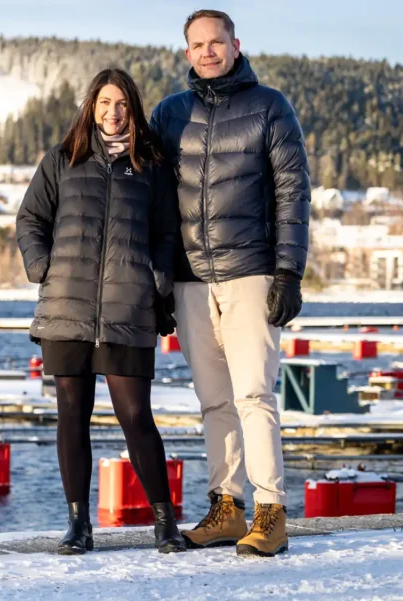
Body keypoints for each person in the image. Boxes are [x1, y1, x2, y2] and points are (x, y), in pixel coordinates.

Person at [149, 9, 310, 558]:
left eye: (216, 42)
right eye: (198, 44)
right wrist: (159, 283)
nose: (208, 51)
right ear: (187, 52)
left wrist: (288, 272)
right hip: (190, 280)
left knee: (254, 395)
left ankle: (270, 512)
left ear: (235, 45)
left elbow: (293, 193)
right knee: (214, 400)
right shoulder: (170, 113)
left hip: (250, 273)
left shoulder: (270, 106)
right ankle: (226, 507)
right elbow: (156, 203)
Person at [16, 68, 185, 555]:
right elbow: (30, 218)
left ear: (133, 109)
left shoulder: (150, 165)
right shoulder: (64, 158)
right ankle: (78, 524)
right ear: (91, 106)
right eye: (105, 103)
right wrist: (42, 265)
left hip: (128, 308)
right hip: (66, 308)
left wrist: (158, 277)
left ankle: (165, 522)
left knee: (136, 416)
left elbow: (167, 232)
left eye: (123, 104)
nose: (114, 112)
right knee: (72, 415)